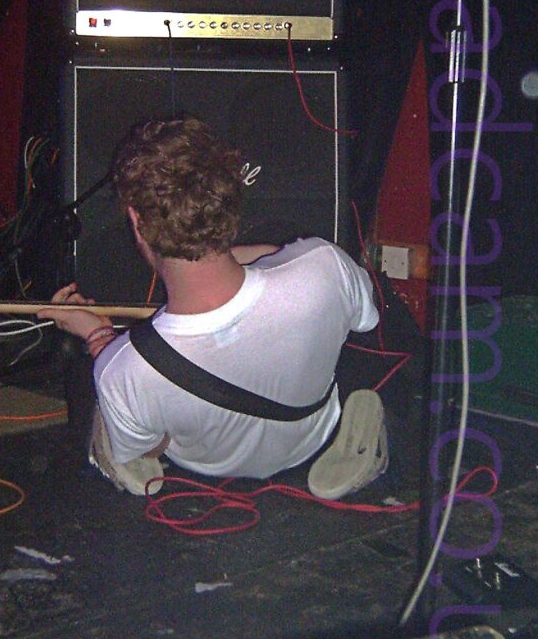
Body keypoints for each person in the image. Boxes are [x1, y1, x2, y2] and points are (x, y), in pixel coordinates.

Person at [40, 115, 386, 499]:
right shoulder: (324, 265)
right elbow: (365, 320)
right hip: (307, 442)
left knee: (101, 394)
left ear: (137, 223)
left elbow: (153, 442)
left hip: (203, 467)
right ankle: (349, 444)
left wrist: (96, 332)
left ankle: (129, 471)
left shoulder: (124, 368)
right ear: (231, 200)